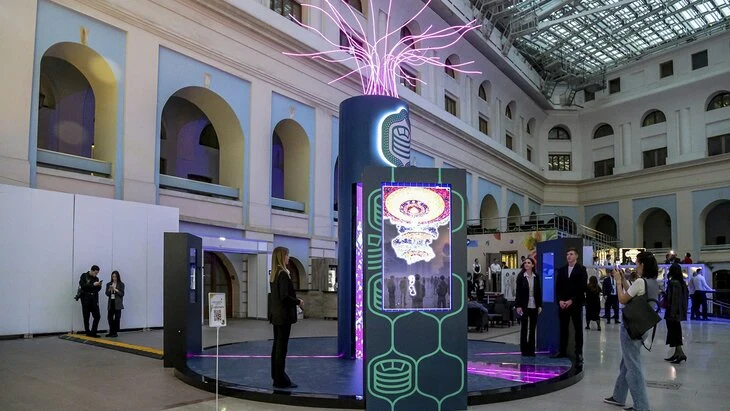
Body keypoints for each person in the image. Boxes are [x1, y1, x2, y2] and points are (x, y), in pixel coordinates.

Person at [604, 251, 659, 411]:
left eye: (637, 263)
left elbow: (623, 299)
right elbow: (634, 295)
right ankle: (619, 396)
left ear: (642, 264)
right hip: (643, 326)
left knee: (633, 367)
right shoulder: (652, 282)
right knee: (626, 363)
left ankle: (641, 406)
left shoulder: (641, 281)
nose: (635, 266)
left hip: (631, 327)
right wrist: (624, 280)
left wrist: (618, 282)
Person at [269, 246, 303, 389]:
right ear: (282, 256)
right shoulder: (283, 274)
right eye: (287, 255)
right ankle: (281, 379)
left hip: (276, 315)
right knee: (281, 348)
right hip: (283, 316)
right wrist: (298, 301)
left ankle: (276, 376)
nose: (289, 257)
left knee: (277, 346)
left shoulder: (275, 274)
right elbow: (284, 296)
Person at [554, 248, 588, 364]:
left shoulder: (581, 269)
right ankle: (562, 351)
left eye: (571, 254)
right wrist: (560, 300)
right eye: (567, 254)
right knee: (563, 328)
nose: (569, 256)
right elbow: (558, 287)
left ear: (576, 256)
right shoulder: (562, 270)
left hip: (575, 304)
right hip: (563, 304)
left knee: (578, 329)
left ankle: (578, 353)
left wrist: (572, 300)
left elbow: (582, 287)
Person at [515, 257, 542, 357]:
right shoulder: (521, 276)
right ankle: (524, 349)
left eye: (529, 262)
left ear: (533, 265)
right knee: (524, 328)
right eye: (525, 263)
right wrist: (518, 306)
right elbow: (518, 292)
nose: (526, 264)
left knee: (532, 328)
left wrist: (540, 305)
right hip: (524, 305)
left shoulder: (536, 276)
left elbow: (538, 291)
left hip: (534, 305)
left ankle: (531, 350)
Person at [664, 263, 688, 364]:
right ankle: (677, 353)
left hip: (672, 312)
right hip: (679, 311)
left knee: (674, 331)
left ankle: (680, 353)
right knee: (677, 331)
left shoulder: (673, 283)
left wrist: (673, 313)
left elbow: (673, 298)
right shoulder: (682, 283)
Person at [79, 265, 103, 337]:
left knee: (97, 316)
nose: (96, 274)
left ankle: (93, 332)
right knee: (86, 317)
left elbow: (96, 289)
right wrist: (93, 285)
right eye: (95, 273)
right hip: (85, 300)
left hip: (94, 300)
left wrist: (99, 286)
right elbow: (83, 286)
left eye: (97, 273)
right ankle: (88, 332)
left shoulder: (96, 278)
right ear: (91, 271)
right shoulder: (84, 276)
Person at [105, 270, 125, 338]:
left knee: (117, 318)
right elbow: (107, 294)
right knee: (109, 318)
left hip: (118, 304)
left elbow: (122, 294)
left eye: (115, 277)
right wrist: (109, 290)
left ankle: (115, 332)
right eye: (113, 277)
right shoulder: (109, 284)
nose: (114, 278)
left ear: (118, 277)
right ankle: (111, 332)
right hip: (111, 303)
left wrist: (116, 290)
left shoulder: (121, 284)